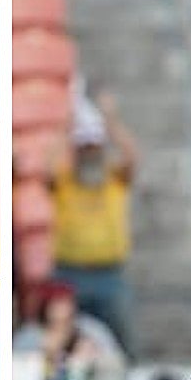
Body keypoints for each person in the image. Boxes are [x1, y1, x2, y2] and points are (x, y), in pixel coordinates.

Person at [49, 86, 137, 350]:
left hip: (109, 274)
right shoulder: (64, 181)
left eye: (93, 146)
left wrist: (110, 121)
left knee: (122, 340)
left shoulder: (114, 179)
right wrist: (65, 127)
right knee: (61, 340)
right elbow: (45, 167)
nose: (89, 152)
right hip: (68, 273)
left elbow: (132, 157)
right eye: (83, 147)